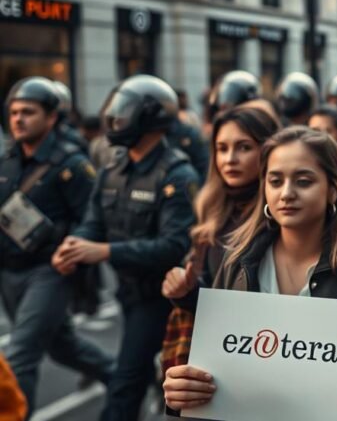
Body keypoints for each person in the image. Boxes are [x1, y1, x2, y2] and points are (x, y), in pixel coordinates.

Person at [162, 127, 337, 421]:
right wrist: (182, 393)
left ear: (333, 189)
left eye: (303, 181)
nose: (286, 193)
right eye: (275, 181)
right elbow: (212, 374)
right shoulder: (237, 264)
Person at [51, 75, 200, 421]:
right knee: (135, 376)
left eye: (124, 111)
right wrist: (74, 246)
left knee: (123, 388)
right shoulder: (112, 169)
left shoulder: (177, 175)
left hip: (159, 299)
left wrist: (105, 252)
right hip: (127, 294)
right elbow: (94, 221)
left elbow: (173, 246)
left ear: (148, 118)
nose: (114, 118)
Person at [0, 78, 113, 413]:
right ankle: (121, 375)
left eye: (28, 112)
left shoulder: (72, 164)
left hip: (49, 270)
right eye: (14, 112)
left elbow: (94, 220)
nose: (18, 119)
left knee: (21, 354)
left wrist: (74, 248)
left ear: (51, 118)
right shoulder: (6, 158)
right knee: (62, 347)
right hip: (9, 270)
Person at [160, 108, 280, 360]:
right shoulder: (211, 208)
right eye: (222, 149)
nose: (230, 159)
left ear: (268, 151)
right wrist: (186, 289)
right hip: (223, 348)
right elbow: (209, 301)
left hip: (275, 347)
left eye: (244, 147)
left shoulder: (282, 213)